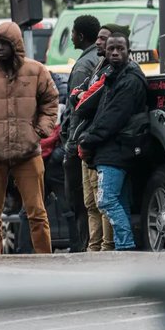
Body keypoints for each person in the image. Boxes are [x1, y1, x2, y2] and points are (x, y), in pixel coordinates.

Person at [0, 22, 59, 255]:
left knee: (37, 212)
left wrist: (38, 132)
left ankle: (46, 262)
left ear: (16, 45)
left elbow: (51, 102)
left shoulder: (36, 71)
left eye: (4, 44)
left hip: (28, 152)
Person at [77, 29, 148, 251]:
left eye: (120, 49)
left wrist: (88, 139)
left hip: (116, 150)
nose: (115, 53)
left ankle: (125, 246)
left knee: (106, 200)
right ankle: (123, 247)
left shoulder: (129, 81)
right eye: (111, 49)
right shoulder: (113, 77)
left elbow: (113, 117)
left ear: (129, 52)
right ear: (105, 53)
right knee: (121, 201)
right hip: (115, 149)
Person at [68, 25, 116, 252]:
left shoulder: (111, 72)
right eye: (97, 37)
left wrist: (80, 96)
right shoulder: (97, 66)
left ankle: (106, 247)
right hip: (84, 142)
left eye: (103, 38)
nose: (98, 42)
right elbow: (78, 95)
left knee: (101, 201)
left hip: (96, 144)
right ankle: (93, 247)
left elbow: (85, 101)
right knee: (90, 203)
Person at [60, 15, 103, 252]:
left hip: (79, 145)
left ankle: (85, 247)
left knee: (80, 203)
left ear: (81, 35)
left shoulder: (83, 65)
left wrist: (70, 145)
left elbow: (76, 109)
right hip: (91, 141)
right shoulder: (97, 60)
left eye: (74, 33)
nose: (72, 37)